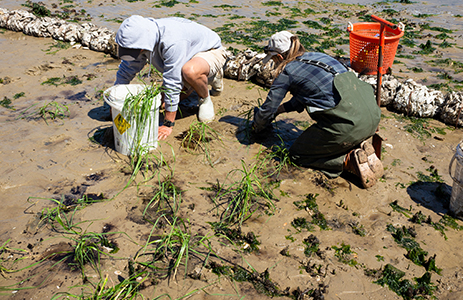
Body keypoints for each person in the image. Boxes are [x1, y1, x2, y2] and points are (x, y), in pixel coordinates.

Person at [251, 31, 383, 188]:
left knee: (297, 154)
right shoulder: (319, 56)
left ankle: (347, 161)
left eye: (273, 59)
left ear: (279, 57)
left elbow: (267, 108)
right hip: (373, 117)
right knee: (341, 130)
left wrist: (257, 126)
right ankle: (360, 144)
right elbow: (307, 96)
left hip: (349, 124)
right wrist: (280, 110)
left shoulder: (288, 71)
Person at [114, 15, 227, 140]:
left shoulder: (172, 41)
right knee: (161, 103)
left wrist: (168, 123)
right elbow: (127, 69)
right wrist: (114, 97)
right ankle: (192, 85)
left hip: (210, 50)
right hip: (186, 55)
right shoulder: (144, 38)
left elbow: (172, 83)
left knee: (190, 71)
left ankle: (205, 97)